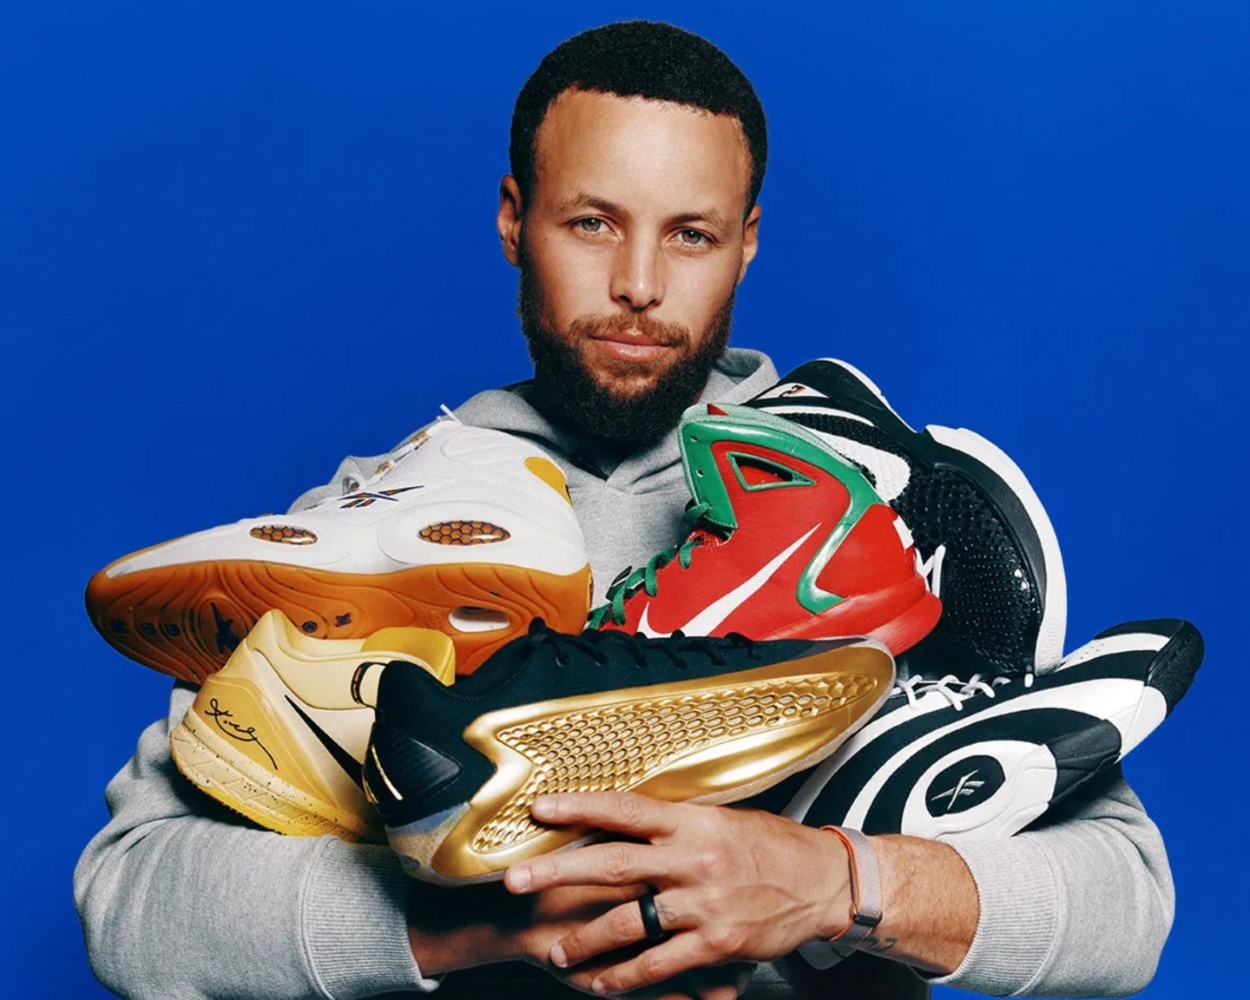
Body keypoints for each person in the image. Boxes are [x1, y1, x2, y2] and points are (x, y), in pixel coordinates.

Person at [76, 21, 1174, 999]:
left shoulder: (886, 506)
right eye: (593, 222)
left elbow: (1124, 904)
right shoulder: (370, 532)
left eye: (690, 234)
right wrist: (490, 924)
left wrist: (837, 881)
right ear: (515, 219)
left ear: (747, 241)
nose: (639, 284)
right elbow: (131, 899)